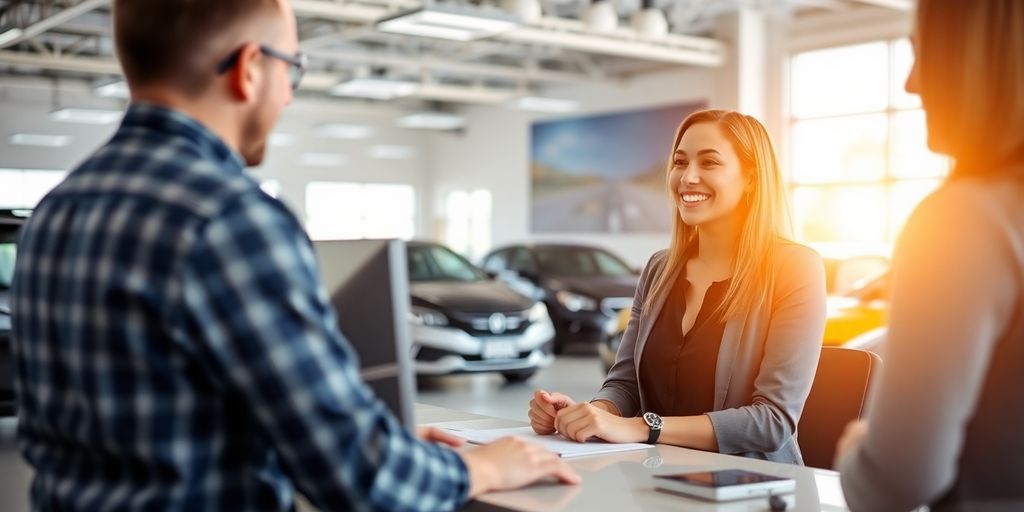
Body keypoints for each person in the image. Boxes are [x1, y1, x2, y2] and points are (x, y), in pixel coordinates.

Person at [10, 1, 578, 510]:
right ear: (249, 68)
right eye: (292, 68)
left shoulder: (57, 211)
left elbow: (159, 433)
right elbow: (357, 475)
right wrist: (475, 466)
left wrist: (391, 447)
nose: (287, 92)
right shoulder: (232, 219)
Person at [529, 109, 826, 464]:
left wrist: (643, 428)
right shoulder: (659, 269)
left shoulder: (795, 267)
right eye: (680, 162)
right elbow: (625, 384)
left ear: (751, 177)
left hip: (750, 486)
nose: (688, 177)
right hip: (654, 478)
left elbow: (772, 421)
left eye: (710, 163)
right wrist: (592, 415)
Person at [835, 1, 1024, 510]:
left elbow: (896, 481)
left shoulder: (965, 218)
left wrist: (856, 449)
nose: (911, 85)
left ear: (979, 64)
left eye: (926, 57)